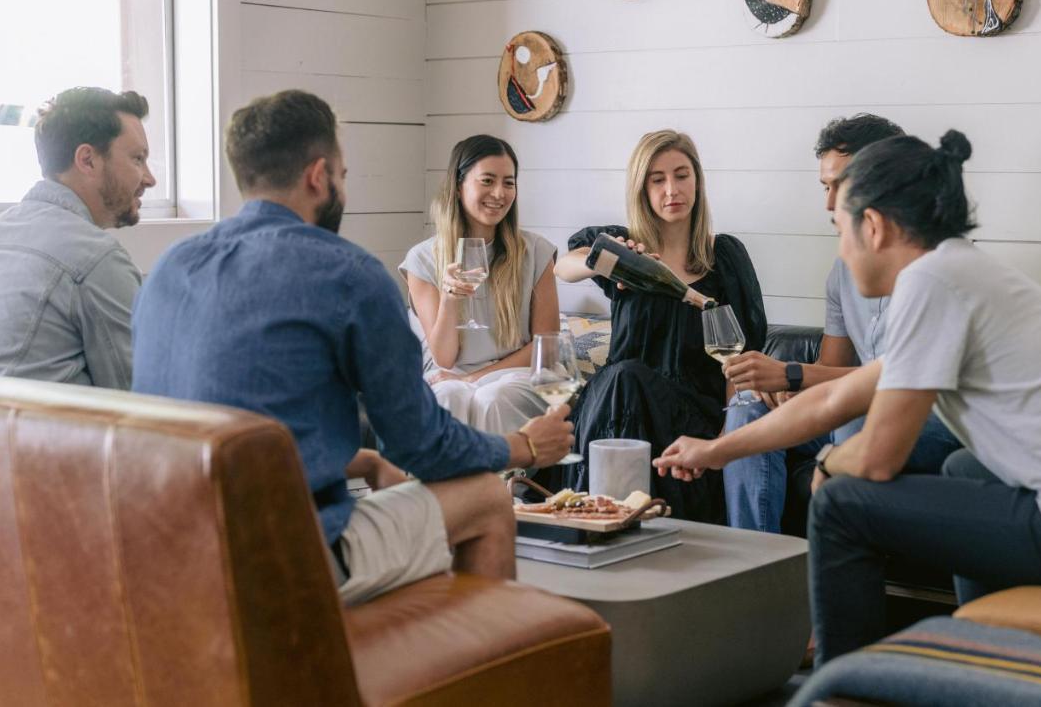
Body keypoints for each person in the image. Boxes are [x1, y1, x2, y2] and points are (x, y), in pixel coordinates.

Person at [654, 130, 1041, 664]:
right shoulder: (956, 272)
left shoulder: (933, 283)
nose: (840, 247)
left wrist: (833, 464)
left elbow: (877, 458)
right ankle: (983, 654)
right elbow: (834, 401)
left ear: (875, 227)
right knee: (964, 469)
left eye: (841, 229)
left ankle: (844, 687)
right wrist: (714, 450)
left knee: (841, 503)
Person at [131, 90, 574, 606]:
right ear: (319, 175)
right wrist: (522, 447)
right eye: (342, 175)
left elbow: (239, 424)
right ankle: (473, 671)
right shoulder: (350, 273)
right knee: (487, 497)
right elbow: (421, 445)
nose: (343, 186)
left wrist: (359, 460)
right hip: (288, 554)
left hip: (174, 549)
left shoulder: (169, 268)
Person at [721, 114, 960, 533]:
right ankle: (754, 569)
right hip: (859, 406)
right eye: (825, 187)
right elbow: (830, 374)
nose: (829, 203)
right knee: (746, 411)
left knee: (850, 419)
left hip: (935, 417)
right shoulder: (843, 271)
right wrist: (784, 393)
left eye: (840, 184)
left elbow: (900, 382)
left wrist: (790, 373)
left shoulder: (937, 266)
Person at [551, 129, 767, 524]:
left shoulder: (726, 259)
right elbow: (564, 266)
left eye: (681, 175)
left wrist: (725, 437)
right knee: (623, 379)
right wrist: (605, 260)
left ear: (697, 182)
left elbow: (741, 356)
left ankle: (610, 518)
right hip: (620, 404)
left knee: (625, 377)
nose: (672, 189)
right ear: (643, 189)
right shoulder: (626, 250)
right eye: (658, 179)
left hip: (688, 415)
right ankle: (603, 524)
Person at [0, 87, 155, 389]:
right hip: (18, 434)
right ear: (87, 160)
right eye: (138, 159)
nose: (150, 178)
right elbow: (144, 398)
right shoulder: (95, 259)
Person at [400, 135, 558, 435]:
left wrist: (476, 379)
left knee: (492, 398)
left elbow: (545, 349)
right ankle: (450, 483)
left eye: (508, 183)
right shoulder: (423, 259)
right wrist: (449, 300)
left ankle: (501, 482)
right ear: (459, 186)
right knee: (447, 396)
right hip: (450, 374)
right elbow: (444, 359)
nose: (499, 193)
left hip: (520, 374)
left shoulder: (536, 251)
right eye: (487, 180)